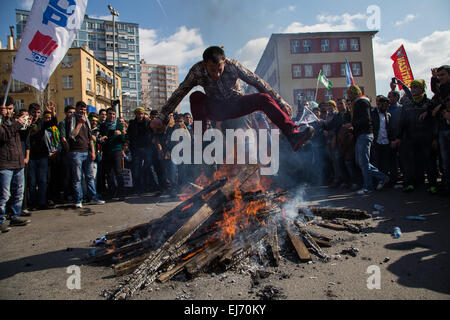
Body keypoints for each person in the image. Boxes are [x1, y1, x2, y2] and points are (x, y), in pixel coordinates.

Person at [150, 46, 313, 152]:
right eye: (212, 70)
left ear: (224, 62)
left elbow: (257, 82)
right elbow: (180, 92)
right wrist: (162, 116)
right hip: (216, 108)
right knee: (195, 96)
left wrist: (280, 101)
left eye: (219, 69)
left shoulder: (233, 65)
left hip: (236, 105)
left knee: (263, 98)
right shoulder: (197, 71)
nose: (216, 74)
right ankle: (202, 140)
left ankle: (292, 134)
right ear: (205, 64)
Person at [392, 79, 438, 193]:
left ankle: (433, 185)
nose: (413, 90)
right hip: (411, 138)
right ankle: (410, 184)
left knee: (430, 163)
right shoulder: (407, 105)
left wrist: (435, 138)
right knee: (410, 163)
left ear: (422, 89)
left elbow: (436, 122)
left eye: (416, 87)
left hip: (427, 138)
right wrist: (399, 138)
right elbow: (402, 122)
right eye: (412, 88)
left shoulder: (429, 104)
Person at [347, 85, 389, 195]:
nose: (349, 96)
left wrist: (352, 124)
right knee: (360, 162)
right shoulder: (358, 102)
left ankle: (368, 187)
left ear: (354, 93)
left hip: (364, 135)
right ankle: (382, 177)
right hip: (361, 135)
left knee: (364, 162)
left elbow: (365, 119)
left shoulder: (362, 102)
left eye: (350, 93)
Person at [63, 101, 104, 208]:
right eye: (81, 109)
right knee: (77, 178)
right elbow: (72, 135)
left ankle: (93, 197)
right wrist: (80, 123)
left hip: (87, 151)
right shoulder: (72, 119)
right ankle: (78, 199)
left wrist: (93, 152)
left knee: (90, 177)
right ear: (77, 109)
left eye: (84, 109)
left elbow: (90, 137)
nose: (83, 111)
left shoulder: (87, 120)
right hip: (76, 152)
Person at [0, 96, 30, 232]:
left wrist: (26, 124)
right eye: (6, 108)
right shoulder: (2, 123)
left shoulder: (13, 121)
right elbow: (3, 136)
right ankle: (1, 220)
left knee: (18, 192)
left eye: (11, 109)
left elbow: (24, 138)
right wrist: (17, 124)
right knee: (4, 195)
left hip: (18, 162)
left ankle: (14, 215)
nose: (9, 111)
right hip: (5, 163)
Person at [27, 103, 58, 210]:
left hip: (42, 155)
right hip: (30, 156)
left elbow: (53, 123)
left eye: (38, 112)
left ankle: (42, 202)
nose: (36, 114)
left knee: (42, 180)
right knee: (32, 182)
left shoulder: (41, 122)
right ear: (29, 112)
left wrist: (53, 113)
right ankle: (32, 203)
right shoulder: (25, 122)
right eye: (34, 112)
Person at [127, 107, 156, 193]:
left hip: (147, 148)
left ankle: (150, 186)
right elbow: (129, 135)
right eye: (138, 114)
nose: (140, 115)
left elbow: (153, 133)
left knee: (148, 167)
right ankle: (138, 187)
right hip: (136, 149)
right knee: (136, 169)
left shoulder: (148, 122)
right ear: (136, 114)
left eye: (142, 114)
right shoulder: (132, 123)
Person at [99, 107, 126, 200]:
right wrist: (103, 138)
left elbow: (124, 139)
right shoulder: (102, 125)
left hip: (117, 150)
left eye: (113, 114)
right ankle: (111, 192)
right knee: (109, 173)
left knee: (119, 172)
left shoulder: (118, 125)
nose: (112, 116)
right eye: (110, 114)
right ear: (107, 115)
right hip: (107, 152)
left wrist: (120, 134)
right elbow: (100, 139)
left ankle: (121, 193)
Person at [371, 96, 394, 181]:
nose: (386, 107)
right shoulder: (372, 113)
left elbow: (389, 129)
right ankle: (377, 181)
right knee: (376, 163)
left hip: (386, 142)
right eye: (384, 105)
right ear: (379, 104)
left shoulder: (388, 115)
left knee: (385, 163)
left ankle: (384, 181)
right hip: (376, 142)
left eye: (387, 106)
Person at [58, 105, 76, 202]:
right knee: (67, 175)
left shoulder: (74, 123)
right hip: (67, 153)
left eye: (73, 112)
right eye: (70, 112)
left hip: (75, 152)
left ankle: (74, 193)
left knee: (75, 175)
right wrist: (68, 150)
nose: (72, 114)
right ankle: (67, 194)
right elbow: (63, 138)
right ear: (65, 113)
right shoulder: (63, 123)